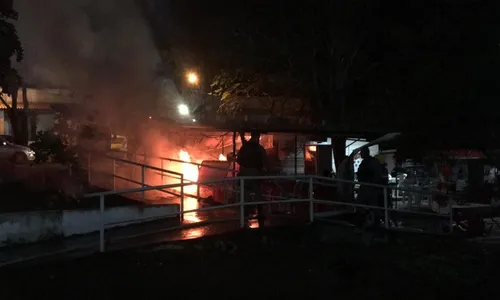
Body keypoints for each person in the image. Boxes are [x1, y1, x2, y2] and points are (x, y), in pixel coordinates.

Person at [237, 131, 269, 227]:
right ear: (258, 137)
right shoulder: (259, 149)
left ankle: (245, 215)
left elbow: (238, 160)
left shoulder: (244, 147)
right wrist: (264, 170)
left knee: (245, 195)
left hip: (244, 174)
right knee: (258, 193)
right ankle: (260, 213)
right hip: (255, 174)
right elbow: (265, 162)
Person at [355, 147, 385, 228]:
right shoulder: (368, 161)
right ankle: (373, 221)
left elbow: (376, 174)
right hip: (367, 185)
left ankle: (370, 222)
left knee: (364, 204)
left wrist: (372, 182)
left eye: (362, 153)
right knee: (369, 205)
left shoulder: (370, 162)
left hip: (369, 186)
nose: (360, 154)